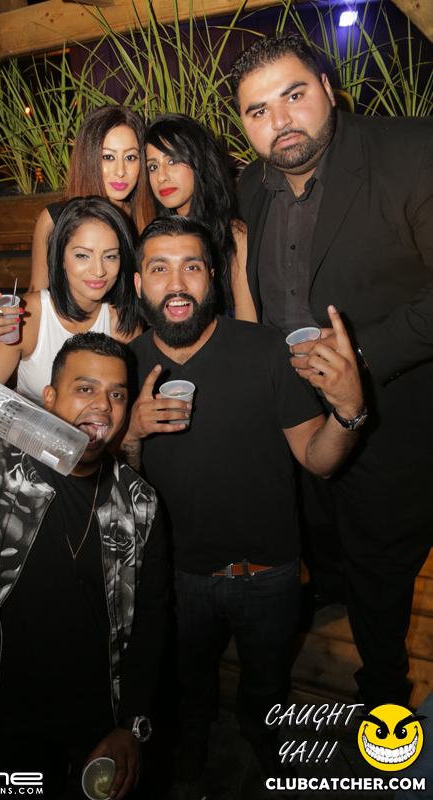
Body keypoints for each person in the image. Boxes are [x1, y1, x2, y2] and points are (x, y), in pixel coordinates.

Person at [120, 216, 364, 781]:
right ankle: (192, 750)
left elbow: (320, 460)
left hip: (268, 573)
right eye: (159, 269)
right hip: (174, 578)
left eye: (191, 267)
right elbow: (116, 493)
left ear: (212, 276)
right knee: (188, 684)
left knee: (266, 682)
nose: (176, 284)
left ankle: (262, 736)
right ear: (137, 283)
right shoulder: (122, 367)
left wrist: (349, 410)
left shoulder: (266, 351)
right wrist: (130, 433)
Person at [231, 33, 433, 710]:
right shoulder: (249, 188)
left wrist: (357, 361)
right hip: (298, 422)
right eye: (258, 110)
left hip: (393, 421)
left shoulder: (411, 150)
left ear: (326, 87)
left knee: (381, 570)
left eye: (294, 95)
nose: (280, 120)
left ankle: (384, 695)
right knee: (325, 543)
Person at [0, 328, 168, 799]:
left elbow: (151, 615)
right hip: (1, 709)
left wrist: (131, 723)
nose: (102, 406)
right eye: (84, 388)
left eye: (117, 394)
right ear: (48, 397)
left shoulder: (140, 502)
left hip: (97, 713)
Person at [0, 196, 141, 407]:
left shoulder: (123, 324)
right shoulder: (26, 318)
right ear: (60, 258)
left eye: (110, 256)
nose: (99, 271)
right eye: (82, 255)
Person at [30, 106, 155, 293]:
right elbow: (36, 295)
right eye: (108, 157)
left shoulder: (148, 216)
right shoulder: (54, 220)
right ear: (88, 159)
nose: (120, 171)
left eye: (130, 157)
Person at [145, 113, 254, 320]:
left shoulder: (234, 236)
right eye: (153, 166)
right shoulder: (154, 237)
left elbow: (248, 325)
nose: (161, 176)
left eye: (173, 160)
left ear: (199, 160)